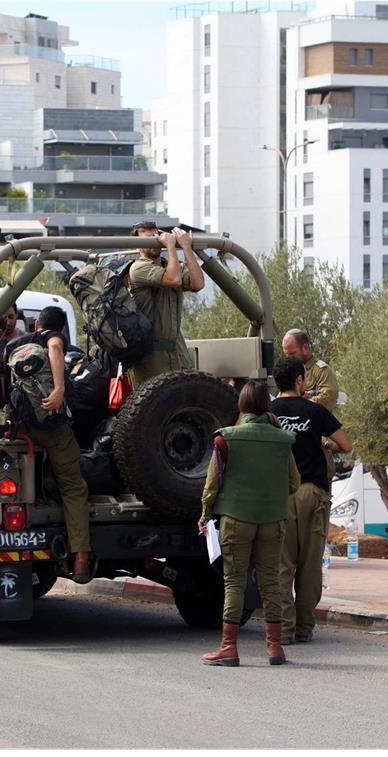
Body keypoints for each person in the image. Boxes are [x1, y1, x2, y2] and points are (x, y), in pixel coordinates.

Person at [199, 380, 300, 667]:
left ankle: (229, 648)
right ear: (267, 406)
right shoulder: (283, 440)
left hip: (235, 519)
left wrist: (206, 514)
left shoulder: (226, 439)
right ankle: (275, 648)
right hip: (272, 520)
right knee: (271, 582)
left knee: (234, 583)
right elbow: (294, 483)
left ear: (241, 406)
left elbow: (212, 484)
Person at [271, 356, 354, 644]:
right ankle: (305, 627)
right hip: (312, 494)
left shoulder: (268, 411)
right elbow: (346, 444)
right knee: (308, 564)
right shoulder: (315, 412)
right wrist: (325, 442)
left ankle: (284, 630)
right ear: (299, 381)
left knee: (281, 564)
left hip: (277, 495)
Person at [10, 306, 92, 582]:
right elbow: (55, 347)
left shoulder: (16, 344)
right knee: (73, 487)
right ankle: (81, 558)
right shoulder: (54, 338)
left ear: (35, 325)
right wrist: (59, 389)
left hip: (23, 429)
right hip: (54, 426)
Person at [126, 221, 205, 388]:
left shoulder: (170, 265)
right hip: (152, 356)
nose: (155, 241)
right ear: (139, 245)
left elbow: (197, 283)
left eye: (156, 236)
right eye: (148, 239)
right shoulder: (138, 268)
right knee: (155, 404)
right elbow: (173, 279)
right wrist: (170, 246)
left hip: (177, 350)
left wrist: (186, 248)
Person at [281, 329, 338, 412]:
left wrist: (299, 404)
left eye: (292, 354)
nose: (288, 358)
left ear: (305, 348)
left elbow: (328, 398)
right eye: (286, 354)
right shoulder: (288, 372)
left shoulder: (321, 370)